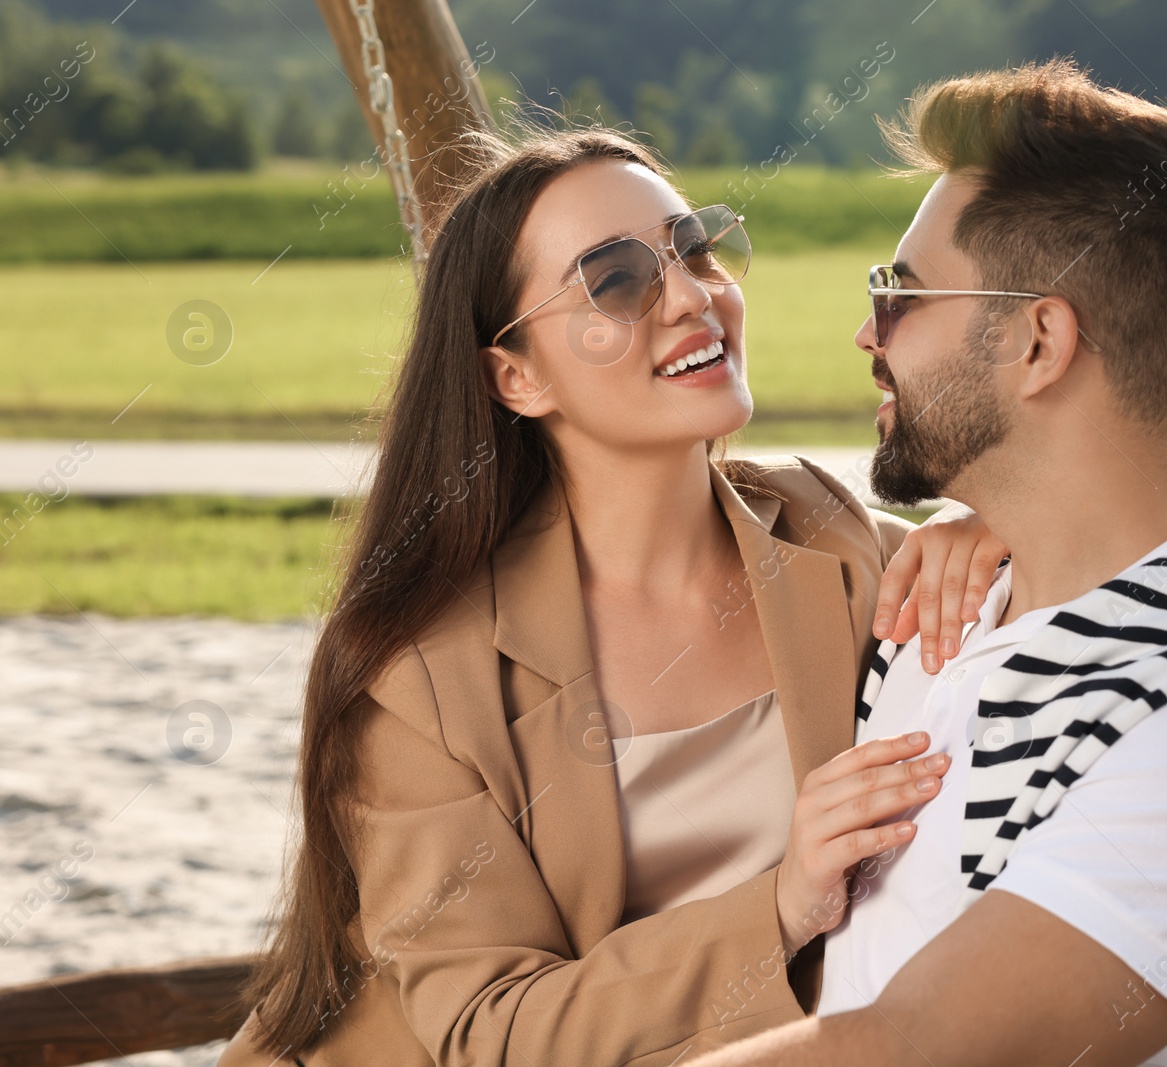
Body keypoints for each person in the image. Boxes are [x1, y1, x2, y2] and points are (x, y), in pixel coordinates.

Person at [691, 60, 1167, 1067]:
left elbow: (909, 1047)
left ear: (1039, 341)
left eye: (899, 294)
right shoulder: (962, 614)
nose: (864, 333)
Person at [219, 124, 1007, 1067]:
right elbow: (491, 1032)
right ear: (515, 376)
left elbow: (1065, 578)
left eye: (696, 251)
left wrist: (992, 522)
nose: (692, 298)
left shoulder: (826, 538)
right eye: (617, 280)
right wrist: (783, 902)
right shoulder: (419, 675)